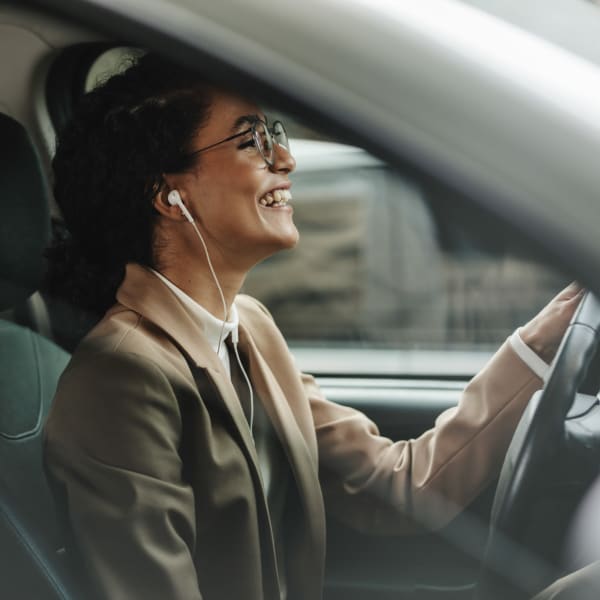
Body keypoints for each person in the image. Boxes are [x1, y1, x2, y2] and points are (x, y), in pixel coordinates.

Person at [43, 53, 583, 600]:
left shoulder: (249, 328)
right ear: (168, 195)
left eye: (274, 133)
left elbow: (397, 487)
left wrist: (541, 344)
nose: (286, 158)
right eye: (251, 140)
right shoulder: (121, 376)